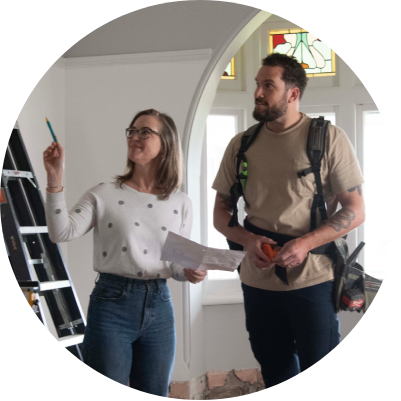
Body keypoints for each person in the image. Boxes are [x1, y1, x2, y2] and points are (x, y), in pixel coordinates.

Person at [212, 53, 365, 388]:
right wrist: (248, 240)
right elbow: (220, 211)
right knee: (275, 370)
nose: (258, 92)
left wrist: (306, 243)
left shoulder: (328, 138)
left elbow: (355, 208)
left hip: (313, 280)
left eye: (269, 85)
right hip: (257, 282)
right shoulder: (241, 145)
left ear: (293, 94)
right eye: (257, 84)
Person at [43, 109, 207, 396]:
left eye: (145, 132)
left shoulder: (180, 202)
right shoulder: (103, 193)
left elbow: (177, 265)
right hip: (111, 305)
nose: (135, 137)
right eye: (132, 131)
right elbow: (61, 232)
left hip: (160, 305)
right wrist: (55, 178)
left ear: (165, 142)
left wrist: (191, 272)